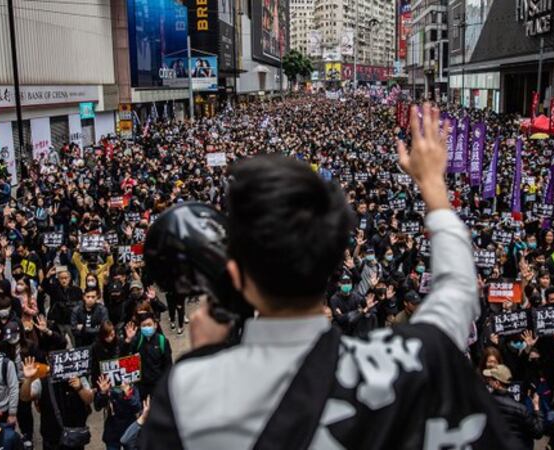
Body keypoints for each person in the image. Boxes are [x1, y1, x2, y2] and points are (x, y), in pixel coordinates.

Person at [141, 105, 509, 448]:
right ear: (335, 257)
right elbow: (458, 291)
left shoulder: (189, 394)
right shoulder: (415, 357)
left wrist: (207, 356)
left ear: (235, 274)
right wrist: (432, 184)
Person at [19, 357, 93, 450]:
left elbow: (89, 399)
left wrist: (80, 388)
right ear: (48, 360)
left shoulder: (78, 377)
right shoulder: (42, 381)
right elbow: (24, 397)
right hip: (51, 440)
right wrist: (28, 380)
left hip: (75, 439)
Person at [483, 365, 543, 449]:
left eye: (490, 380)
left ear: (497, 383)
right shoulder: (521, 409)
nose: (488, 382)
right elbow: (538, 432)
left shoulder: (485, 403)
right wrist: (536, 407)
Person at [123, 313, 171, 400]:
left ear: (155, 325)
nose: (147, 328)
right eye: (144, 325)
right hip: (141, 386)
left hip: (158, 385)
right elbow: (125, 358)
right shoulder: (137, 340)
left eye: (149, 325)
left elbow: (168, 365)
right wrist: (128, 340)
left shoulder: (162, 341)